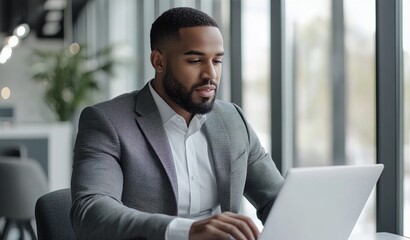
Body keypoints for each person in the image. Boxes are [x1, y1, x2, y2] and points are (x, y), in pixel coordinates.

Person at [70, 7, 284, 240]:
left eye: (217, 60)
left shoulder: (232, 119)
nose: (210, 74)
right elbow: (90, 211)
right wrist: (187, 231)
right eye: (195, 60)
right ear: (158, 61)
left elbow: (276, 199)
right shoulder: (107, 122)